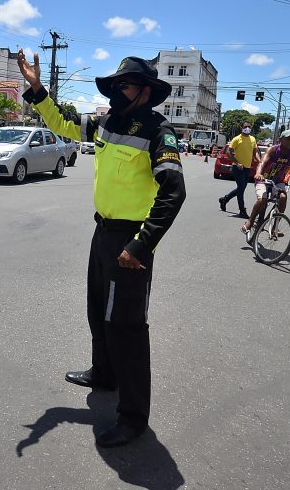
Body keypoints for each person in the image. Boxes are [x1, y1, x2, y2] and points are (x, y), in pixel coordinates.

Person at [18, 50, 185, 448]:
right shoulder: (107, 122)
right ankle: (104, 374)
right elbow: (63, 122)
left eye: (122, 85)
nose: (115, 91)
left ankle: (133, 417)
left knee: (126, 327)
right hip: (103, 232)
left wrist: (141, 246)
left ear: (144, 92)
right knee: (98, 311)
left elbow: (174, 192)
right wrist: (38, 88)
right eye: (113, 85)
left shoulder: (159, 132)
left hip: (132, 239)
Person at [241, 129, 290, 237]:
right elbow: (262, 162)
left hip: (279, 180)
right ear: (280, 139)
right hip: (263, 179)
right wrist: (258, 173)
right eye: (288, 139)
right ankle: (250, 222)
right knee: (262, 199)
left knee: (283, 197)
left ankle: (275, 226)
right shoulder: (273, 150)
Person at [218, 121, 257, 218]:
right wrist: (237, 162)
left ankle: (225, 199)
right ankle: (242, 210)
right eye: (245, 126)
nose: (247, 128)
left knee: (241, 188)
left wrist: (259, 160)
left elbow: (255, 153)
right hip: (238, 168)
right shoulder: (236, 139)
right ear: (241, 127)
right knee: (241, 188)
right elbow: (228, 153)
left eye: (249, 126)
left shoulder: (252, 139)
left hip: (247, 168)